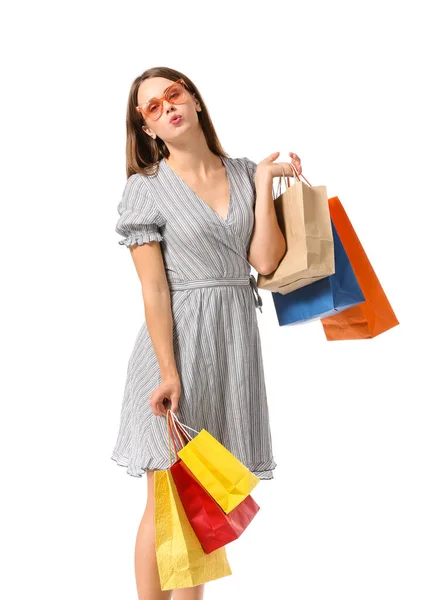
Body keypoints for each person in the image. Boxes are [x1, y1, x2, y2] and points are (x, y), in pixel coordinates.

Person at [111, 66, 303, 600]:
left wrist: (264, 185)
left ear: (194, 100)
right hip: (173, 349)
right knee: (167, 494)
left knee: (208, 495)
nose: (167, 107)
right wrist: (169, 372)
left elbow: (263, 260)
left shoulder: (243, 173)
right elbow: (153, 290)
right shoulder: (145, 190)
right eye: (152, 106)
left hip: (233, 345)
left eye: (173, 94)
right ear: (147, 128)